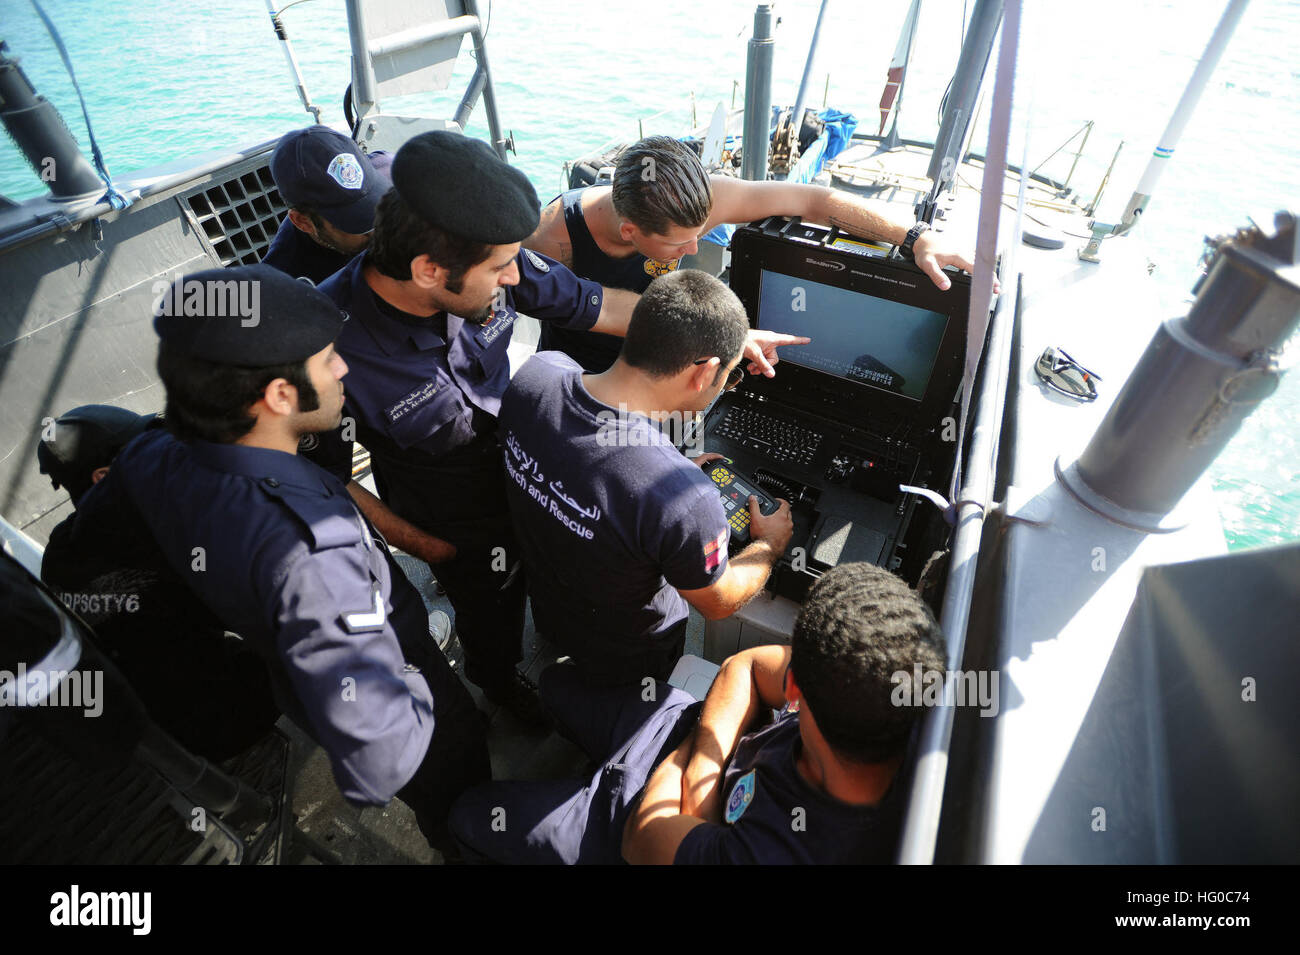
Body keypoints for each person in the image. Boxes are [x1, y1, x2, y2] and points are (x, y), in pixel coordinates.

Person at [312, 130, 804, 719]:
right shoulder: (326, 350)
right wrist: (427, 546)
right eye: (499, 270)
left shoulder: (496, 258)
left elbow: (593, 303)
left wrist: (719, 339)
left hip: (530, 460)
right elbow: (321, 479)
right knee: (487, 614)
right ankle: (498, 685)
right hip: (449, 515)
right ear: (427, 270)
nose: (515, 279)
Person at [51, 265, 488, 854]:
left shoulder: (150, 454)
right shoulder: (312, 553)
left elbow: (76, 551)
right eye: (329, 358)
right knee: (455, 782)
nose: (343, 369)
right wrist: (404, 671)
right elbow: (382, 755)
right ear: (280, 395)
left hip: (282, 668)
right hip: (394, 678)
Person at [448, 561, 948, 864]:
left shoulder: (781, 854)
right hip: (689, 744)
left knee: (469, 817)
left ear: (795, 688)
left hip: (630, 819)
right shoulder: (900, 706)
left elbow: (640, 842)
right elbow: (746, 667)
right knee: (555, 684)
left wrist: (693, 763)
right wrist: (705, 778)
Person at [497, 269, 792, 685]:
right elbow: (719, 601)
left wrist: (666, 473)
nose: (723, 385)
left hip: (550, 610)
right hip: (630, 653)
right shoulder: (684, 497)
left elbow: (589, 468)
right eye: (730, 378)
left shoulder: (537, 375)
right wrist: (768, 543)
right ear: (705, 372)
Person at [526, 134, 983, 372]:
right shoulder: (553, 240)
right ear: (629, 230)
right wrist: (720, 339)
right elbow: (602, 308)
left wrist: (915, 236)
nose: (695, 248)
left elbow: (813, 201)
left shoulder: (702, 204)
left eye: (701, 231)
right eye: (679, 243)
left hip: (669, 352)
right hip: (585, 369)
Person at [37, 404, 282, 761]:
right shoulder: (157, 534)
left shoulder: (60, 552)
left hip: (154, 739)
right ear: (103, 477)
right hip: (226, 720)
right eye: (143, 451)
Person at [262, 125, 391, 286]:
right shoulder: (284, 277)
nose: (376, 229)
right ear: (303, 222)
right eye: (358, 222)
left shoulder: (394, 170)